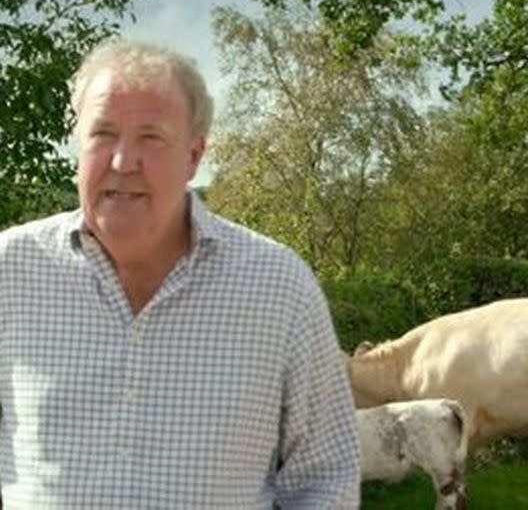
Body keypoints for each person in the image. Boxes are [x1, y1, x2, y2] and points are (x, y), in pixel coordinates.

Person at [0, 38, 361, 508]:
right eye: (103, 133)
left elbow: (327, 478)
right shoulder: (10, 271)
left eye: (150, 137)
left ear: (193, 156)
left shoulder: (279, 287)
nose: (122, 161)